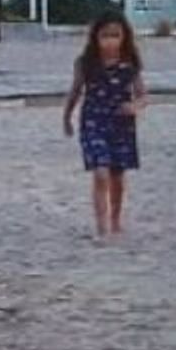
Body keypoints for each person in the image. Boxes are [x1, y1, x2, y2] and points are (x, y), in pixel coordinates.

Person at [64, 12, 147, 238]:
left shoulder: (130, 64)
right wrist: (67, 117)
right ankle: (101, 225)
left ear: (124, 37)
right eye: (105, 36)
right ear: (95, 37)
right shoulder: (86, 63)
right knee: (100, 172)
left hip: (122, 124)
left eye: (115, 35)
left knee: (117, 176)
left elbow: (142, 95)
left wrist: (135, 106)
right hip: (94, 121)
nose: (110, 41)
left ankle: (115, 219)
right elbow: (74, 92)